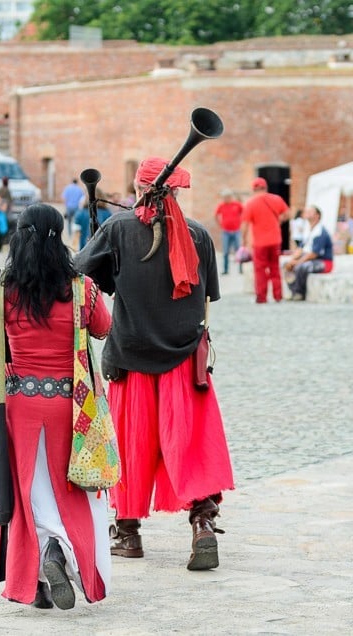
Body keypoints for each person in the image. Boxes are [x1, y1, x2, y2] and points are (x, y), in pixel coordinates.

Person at [73, 157, 235, 571]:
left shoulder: (119, 228)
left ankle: (127, 533)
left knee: (130, 445)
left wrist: (104, 249)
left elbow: (80, 275)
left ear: (137, 186)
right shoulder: (199, 235)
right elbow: (206, 298)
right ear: (175, 191)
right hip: (183, 357)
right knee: (191, 444)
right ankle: (202, 522)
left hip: (131, 357)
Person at [0, 203, 112, 610]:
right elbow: (104, 328)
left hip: (18, 407)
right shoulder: (80, 287)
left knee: (29, 494)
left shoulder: (2, 286)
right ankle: (60, 555)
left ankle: (36, 575)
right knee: (71, 490)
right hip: (71, 409)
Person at [241, 177, 290, 303]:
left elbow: (245, 225)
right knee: (275, 268)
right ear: (265, 187)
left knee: (260, 270)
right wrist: (278, 221)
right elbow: (287, 213)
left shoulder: (251, 203)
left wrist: (244, 241)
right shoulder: (276, 199)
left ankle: (262, 297)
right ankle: (278, 296)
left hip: (260, 243)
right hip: (275, 240)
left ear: (253, 189)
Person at [284, 206, 334, 301]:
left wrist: (298, 262)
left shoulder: (320, 232)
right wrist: (292, 260)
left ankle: (299, 293)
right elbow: (301, 248)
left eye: (310, 211)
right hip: (308, 258)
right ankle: (293, 290)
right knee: (286, 265)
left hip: (323, 261)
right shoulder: (308, 230)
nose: (307, 213)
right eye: (307, 211)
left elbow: (314, 254)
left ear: (317, 215)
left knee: (302, 267)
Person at [214, 189, 243, 275]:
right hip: (226, 232)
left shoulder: (237, 205)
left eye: (227, 197)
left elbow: (244, 213)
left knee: (238, 251)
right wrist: (220, 225)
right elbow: (216, 215)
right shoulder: (221, 205)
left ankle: (240, 269)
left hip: (236, 231)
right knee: (226, 251)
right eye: (224, 197)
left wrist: (241, 223)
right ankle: (226, 269)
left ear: (230, 197)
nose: (225, 199)